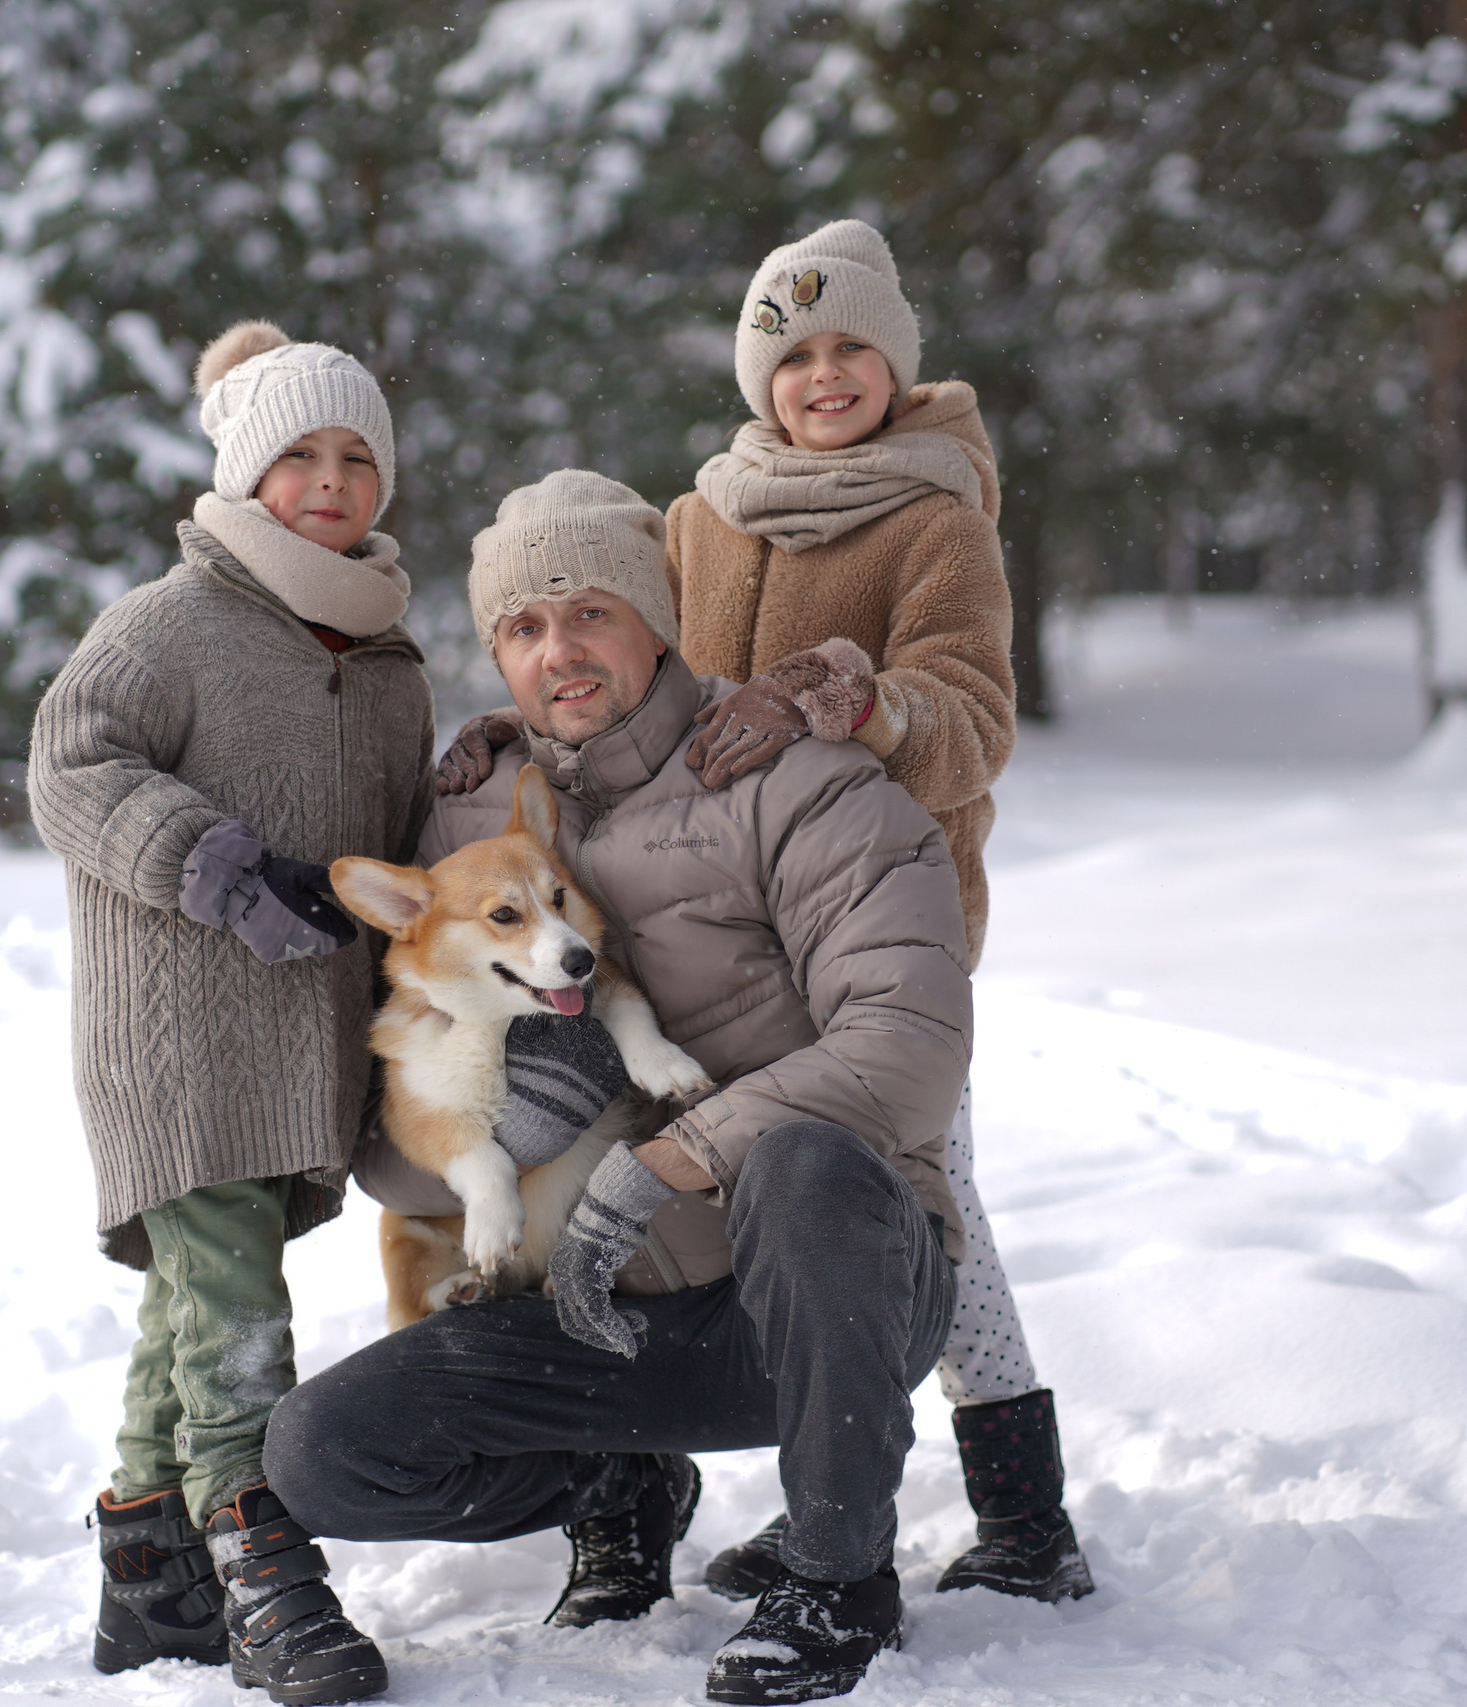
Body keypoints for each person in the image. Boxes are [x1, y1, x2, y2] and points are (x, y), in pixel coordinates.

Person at [438, 219, 1090, 1608]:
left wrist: (856, 700)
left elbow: (972, 720)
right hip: (698, 918)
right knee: (704, 1189)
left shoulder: (935, 518)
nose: (825, 375)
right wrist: (526, 709)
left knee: (919, 1200)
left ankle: (1021, 1509)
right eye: (793, 355)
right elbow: (625, 661)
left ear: (899, 361)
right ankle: (708, 1484)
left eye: (853, 346)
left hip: (867, 914)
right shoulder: (705, 512)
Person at [266, 470, 971, 1705]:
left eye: (591, 612)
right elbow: (391, 1125)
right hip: (587, 1319)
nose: (559, 653)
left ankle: (839, 1571)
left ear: (658, 622)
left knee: (804, 1162)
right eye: (523, 629)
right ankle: (618, 1477)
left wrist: (666, 1162)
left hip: (810, 1295)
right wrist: (487, 1131)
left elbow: (906, 1044)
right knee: (323, 1454)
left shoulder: (801, 783)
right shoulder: (467, 822)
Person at [27, 320, 427, 1706]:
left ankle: (149, 1568)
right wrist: (215, 861)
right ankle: (262, 1560)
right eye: (299, 456)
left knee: (200, 1297)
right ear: (246, 473)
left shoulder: (384, 656)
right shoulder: (170, 620)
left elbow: (400, 835)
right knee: (237, 1305)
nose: (329, 480)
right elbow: (68, 762)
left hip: (301, 1034)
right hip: (177, 1030)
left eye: (357, 456)